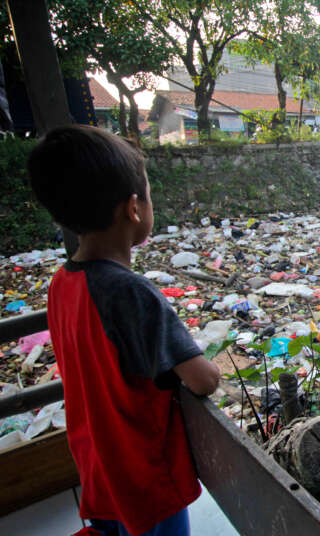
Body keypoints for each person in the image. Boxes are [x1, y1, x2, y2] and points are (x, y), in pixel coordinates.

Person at [27, 125, 221, 536]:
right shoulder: (132, 294)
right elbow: (204, 380)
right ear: (134, 208)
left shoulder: (63, 283)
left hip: (97, 467)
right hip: (143, 478)